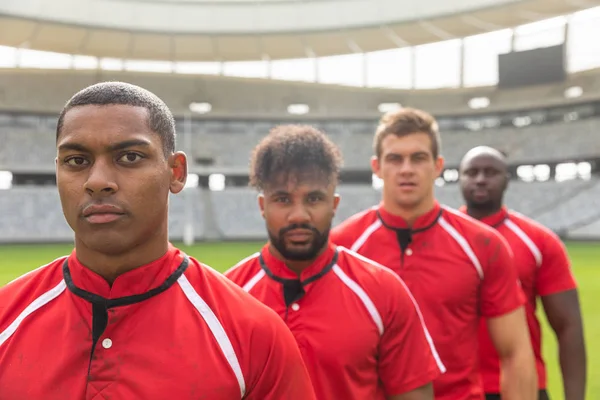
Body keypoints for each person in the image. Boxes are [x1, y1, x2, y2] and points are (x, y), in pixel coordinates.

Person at [0, 82, 317, 400]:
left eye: (129, 157)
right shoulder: (6, 316)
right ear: (57, 172)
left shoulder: (253, 335)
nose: (97, 181)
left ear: (176, 172)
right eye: (76, 161)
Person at [330, 107, 538, 400]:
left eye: (418, 158)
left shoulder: (483, 245)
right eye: (394, 159)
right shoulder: (342, 246)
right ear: (376, 167)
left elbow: (515, 353)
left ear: (437, 165)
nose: (406, 169)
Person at [225, 125, 445, 400]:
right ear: (262, 206)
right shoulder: (228, 296)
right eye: (282, 199)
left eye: (314, 198)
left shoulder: (382, 291)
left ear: (334, 204)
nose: (299, 215)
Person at [458, 146, 587, 400]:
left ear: (507, 179)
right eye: (471, 172)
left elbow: (568, 326)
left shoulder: (539, 241)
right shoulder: (436, 237)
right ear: (459, 178)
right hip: (454, 389)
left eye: (491, 172)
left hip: (522, 386)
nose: (480, 179)